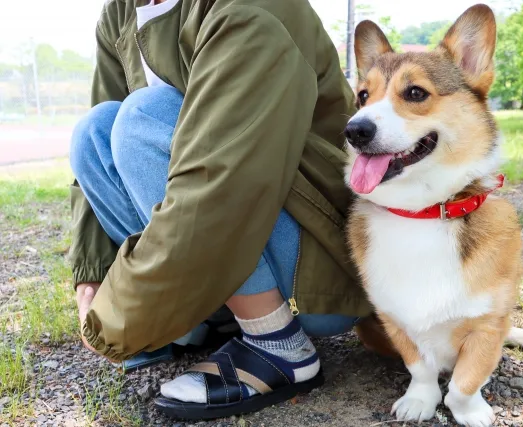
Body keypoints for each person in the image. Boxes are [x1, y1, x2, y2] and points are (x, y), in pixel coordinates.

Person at [69, 0, 372, 419]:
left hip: (319, 253)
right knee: (94, 131)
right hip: (231, 235)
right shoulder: (121, 11)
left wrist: (113, 321)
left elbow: (215, 179)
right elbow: (98, 169)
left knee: (144, 117)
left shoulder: (246, 7)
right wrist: (90, 279)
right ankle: (212, 320)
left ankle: (277, 343)